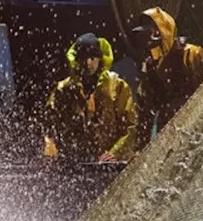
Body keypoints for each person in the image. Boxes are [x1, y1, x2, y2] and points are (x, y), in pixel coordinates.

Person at [43, 33, 137, 162]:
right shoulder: (64, 89)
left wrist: (116, 152)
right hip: (77, 164)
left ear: (100, 58)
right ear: (76, 60)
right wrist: (50, 145)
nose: (88, 63)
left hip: (113, 165)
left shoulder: (117, 86)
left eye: (92, 58)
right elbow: (49, 121)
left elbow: (130, 125)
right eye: (83, 58)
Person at [129, 7, 203, 149]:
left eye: (151, 30)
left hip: (195, 129)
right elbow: (145, 109)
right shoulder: (150, 65)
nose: (147, 37)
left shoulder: (191, 54)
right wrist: (140, 147)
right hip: (166, 134)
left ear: (159, 31)